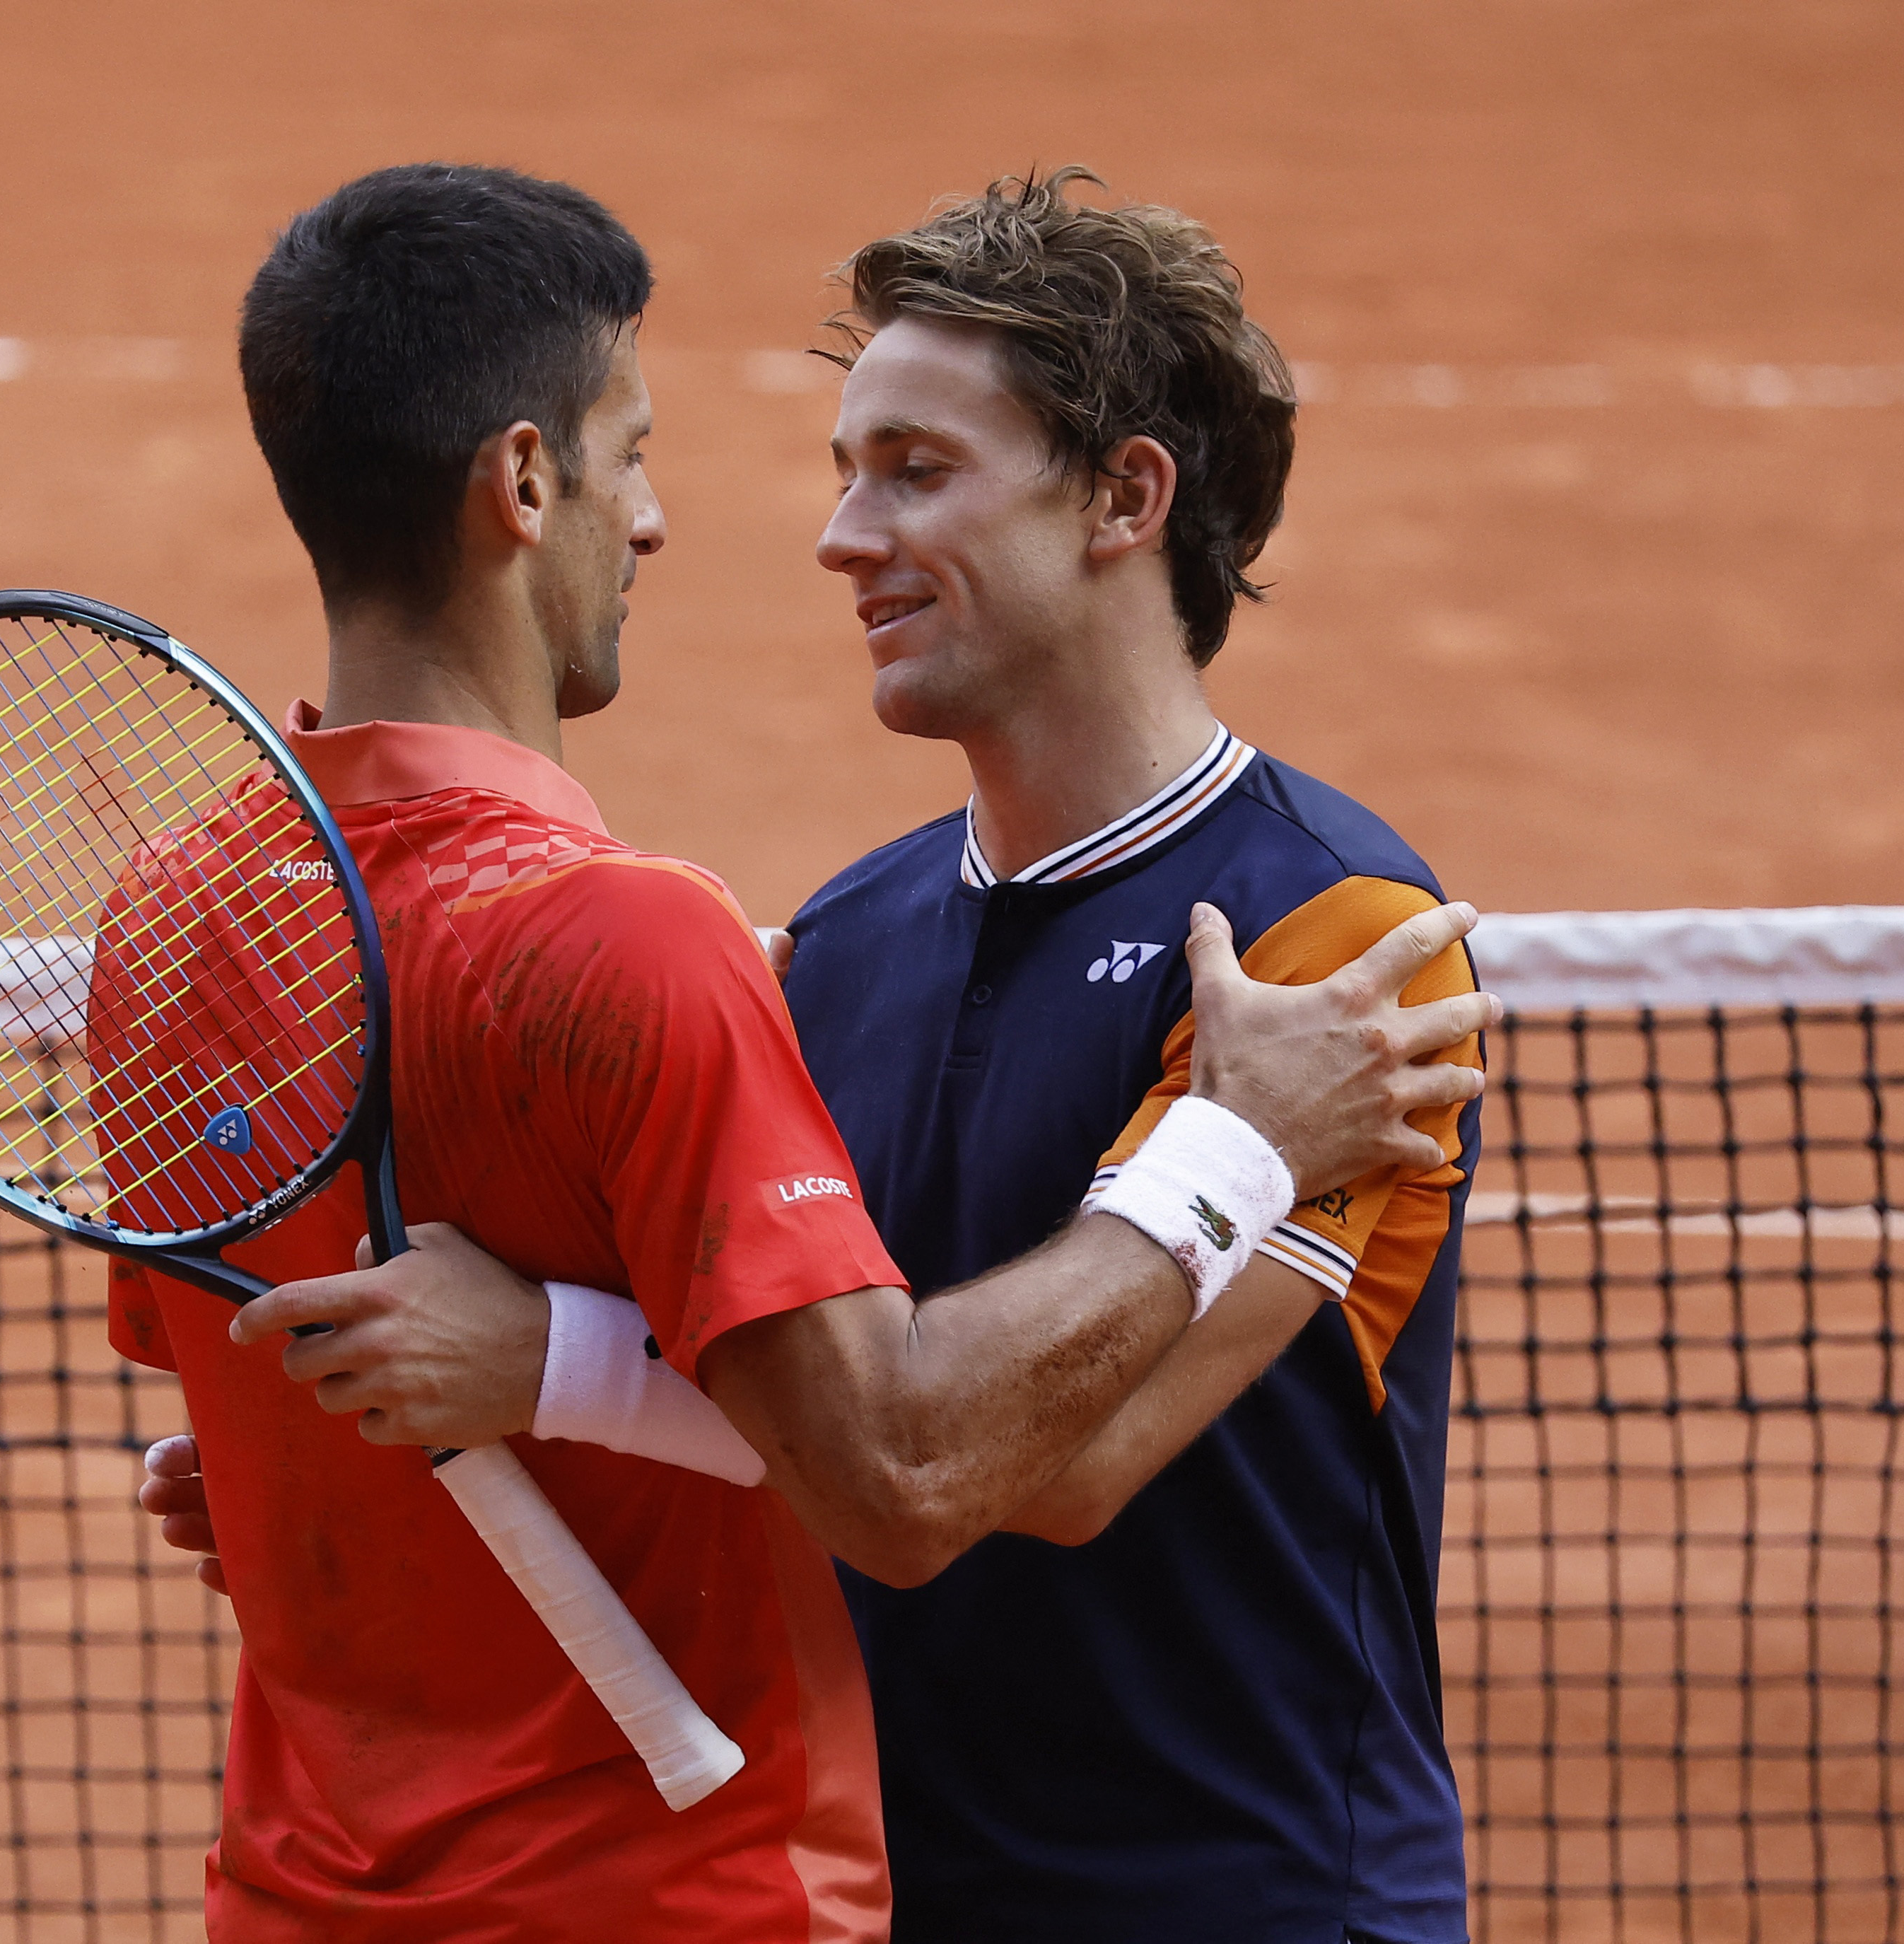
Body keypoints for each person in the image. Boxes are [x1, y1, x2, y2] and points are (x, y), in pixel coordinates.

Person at [128, 162, 1491, 1941]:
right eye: (846, 473)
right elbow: (823, 1401)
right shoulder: (839, 945)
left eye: (915, 472)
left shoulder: (1333, 963)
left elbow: (1038, 1467)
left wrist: (551, 1362)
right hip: (901, 1892)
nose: (843, 535)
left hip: (1241, 1897)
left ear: (1126, 499)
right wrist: (448, 1415)